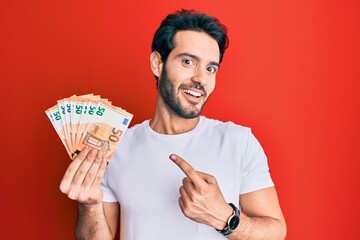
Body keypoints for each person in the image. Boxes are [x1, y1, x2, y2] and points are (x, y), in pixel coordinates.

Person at [59, 9, 287, 240]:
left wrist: (224, 218)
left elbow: (276, 232)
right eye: (188, 62)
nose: (201, 78)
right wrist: (88, 205)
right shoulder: (115, 147)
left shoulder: (239, 141)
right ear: (158, 64)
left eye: (210, 68)